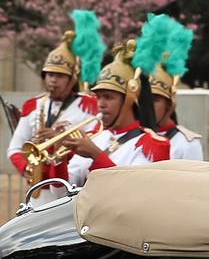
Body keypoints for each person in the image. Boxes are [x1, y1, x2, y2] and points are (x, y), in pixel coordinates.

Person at [7, 10, 105, 183]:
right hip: (39, 186)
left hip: (72, 183)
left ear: (71, 78)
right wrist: (29, 169)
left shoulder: (90, 104)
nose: (53, 80)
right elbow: (15, 148)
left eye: (59, 76)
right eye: (49, 74)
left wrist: (60, 138)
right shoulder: (34, 105)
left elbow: (96, 144)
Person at [63, 37, 170, 185]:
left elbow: (134, 190)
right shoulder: (93, 137)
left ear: (129, 99)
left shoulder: (152, 144)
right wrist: (58, 160)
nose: (100, 104)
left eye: (108, 97)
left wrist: (96, 155)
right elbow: (61, 191)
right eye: (98, 97)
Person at [146, 15, 203, 161]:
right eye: (146, 99)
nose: (148, 106)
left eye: (155, 100)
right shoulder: (134, 140)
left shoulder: (187, 144)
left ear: (169, 105)